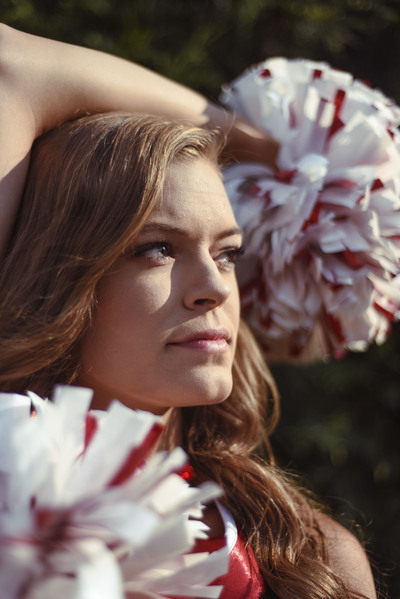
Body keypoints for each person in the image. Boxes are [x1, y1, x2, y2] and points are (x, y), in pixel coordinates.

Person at [0, 25, 377, 599]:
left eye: (228, 254)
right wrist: (271, 151)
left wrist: (306, 178)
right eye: (157, 249)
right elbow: (13, 66)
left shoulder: (310, 557)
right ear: (61, 275)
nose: (214, 289)